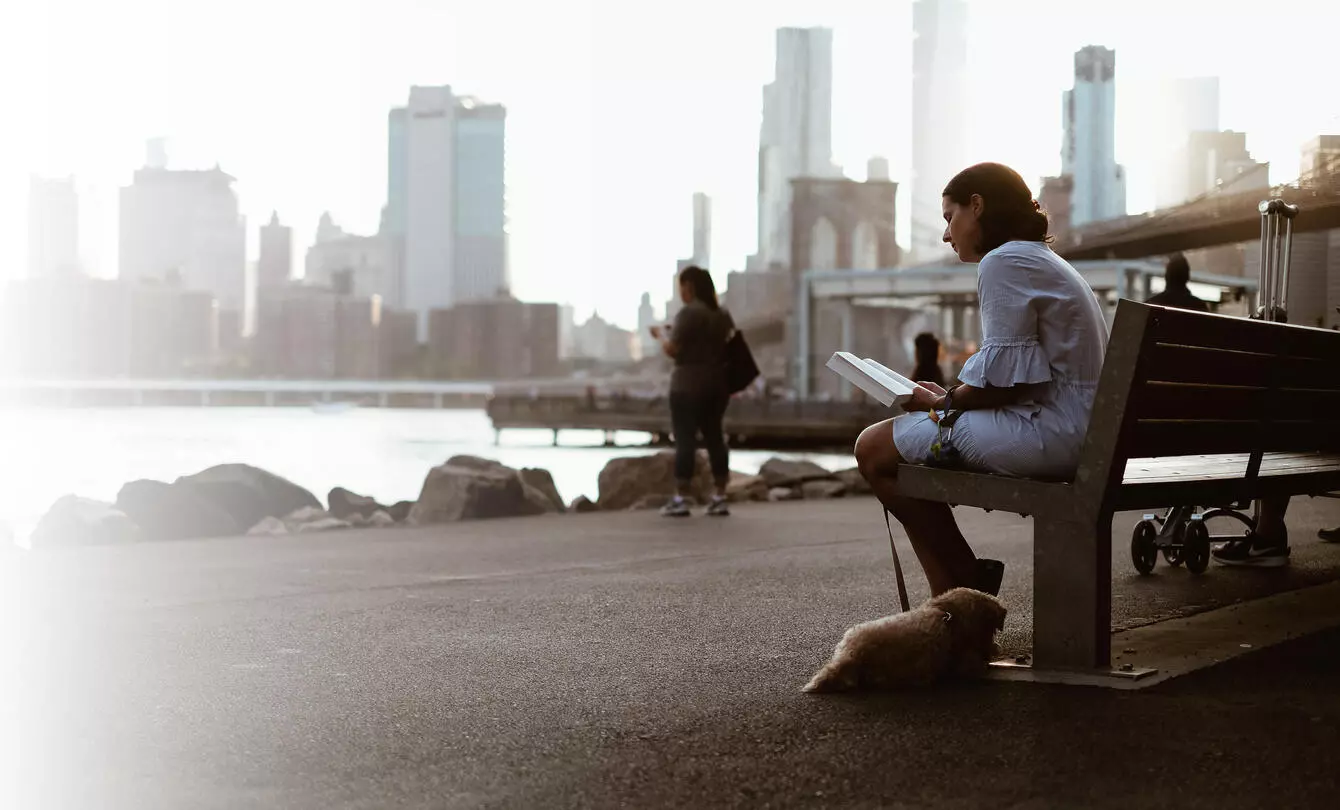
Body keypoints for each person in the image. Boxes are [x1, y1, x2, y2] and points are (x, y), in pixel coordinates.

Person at [853, 162, 1110, 596]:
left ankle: (963, 586)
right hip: (1086, 428)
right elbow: (1023, 380)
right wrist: (949, 398)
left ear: (977, 206)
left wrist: (939, 404)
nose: (946, 235)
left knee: (873, 448)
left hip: (1055, 434)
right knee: (898, 446)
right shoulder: (1043, 260)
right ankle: (950, 596)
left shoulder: (1003, 261)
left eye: (950, 217)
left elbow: (1004, 384)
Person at [1143, 254, 1291, 565]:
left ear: (1167, 276)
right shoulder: (1202, 309)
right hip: (1216, 429)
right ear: (1187, 277)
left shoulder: (1150, 307)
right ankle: (1267, 535)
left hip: (1160, 424)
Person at [649, 265, 736, 517]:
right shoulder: (721, 314)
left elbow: (673, 349)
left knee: (685, 439)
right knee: (715, 438)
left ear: (689, 286)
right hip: (717, 384)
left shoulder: (689, 313)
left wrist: (659, 336)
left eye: (682, 288)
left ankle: (681, 497)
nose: (681, 293)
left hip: (687, 384)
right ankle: (719, 496)